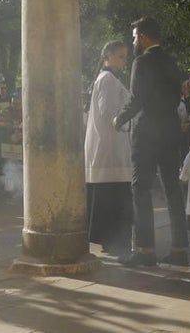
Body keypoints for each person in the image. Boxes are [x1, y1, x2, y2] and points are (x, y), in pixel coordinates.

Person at [114, 16, 189, 267]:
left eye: (135, 36)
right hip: (170, 131)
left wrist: (119, 119)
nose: (134, 41)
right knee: (172, 189)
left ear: (144, 37)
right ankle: (180, 249)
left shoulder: (141, 61)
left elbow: (137, 99)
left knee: (141, 190)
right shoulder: (171, 61)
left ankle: (146, 251)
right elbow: (177, 97)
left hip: (147, 134)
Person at [84, 40, 134, 255]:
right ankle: (114, 240)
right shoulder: (108, 80)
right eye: (121, 56)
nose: (125, 60)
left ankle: (111, 240)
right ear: (109, 56)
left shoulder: (107, 78)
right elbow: (109, 113)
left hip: (109, 146)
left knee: (109, 195)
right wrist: (131, 123)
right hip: (110, 147)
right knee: (113, 195)